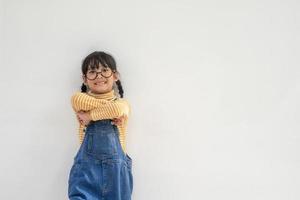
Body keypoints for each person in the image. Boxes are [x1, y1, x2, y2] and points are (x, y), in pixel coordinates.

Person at [68, 51, 133, 200]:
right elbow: (79, 100)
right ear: (84, 79)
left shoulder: (122, 104)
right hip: (87, 173)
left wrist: (89, 116)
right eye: (92, 72)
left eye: (104, 70)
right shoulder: (80, 99)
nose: (99, 76)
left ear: (115, 75)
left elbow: (116, 109)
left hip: (116, 176)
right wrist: (109, 111)